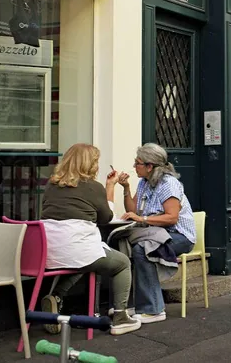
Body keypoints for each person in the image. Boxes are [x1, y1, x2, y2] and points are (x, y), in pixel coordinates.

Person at [40, 143, 140, 336]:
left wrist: (108, 187)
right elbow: (106, 218)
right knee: (122, 263)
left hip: (49, 251)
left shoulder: (51, 184)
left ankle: (56, 297)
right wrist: (109, 187)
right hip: (78, 248)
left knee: (82, 259)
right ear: (89, 164)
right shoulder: (92, 187)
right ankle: (120, 317)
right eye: (96, 161)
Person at [112, 143, 197, 323]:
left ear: (150, 166)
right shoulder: (144, 182)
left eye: (138, 163)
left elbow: (172, 218)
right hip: (156, 232)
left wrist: (142, 220)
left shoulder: (168, 184)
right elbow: (134, 210)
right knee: (126, 245)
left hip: (179, 236)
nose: (134, 167)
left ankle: (154, 309)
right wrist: (126, 188)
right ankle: (138, 304)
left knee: (143, 249)